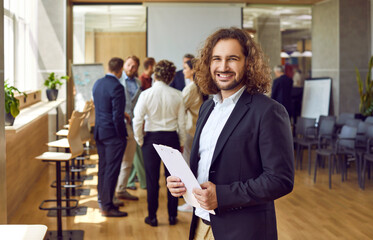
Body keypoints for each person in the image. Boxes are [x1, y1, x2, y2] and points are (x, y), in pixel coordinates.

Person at [166, 27, 294, 240]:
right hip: (201, 224)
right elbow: (208, 163)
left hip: (243, 231)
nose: (223, 66)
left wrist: (222, 196)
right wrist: (183, 182)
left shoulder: (268, 111)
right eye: (216, 58)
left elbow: (280, 179)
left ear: (248, 63)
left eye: (232, 59)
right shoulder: (208, 107)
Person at [133, 60, 186, 227]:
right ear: (171, 76)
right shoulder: (178, 95)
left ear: (155, 74)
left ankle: (152, 217)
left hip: (151, 140)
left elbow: (137, 121)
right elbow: (182, 124)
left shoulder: (145, 94)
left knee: (151, 180)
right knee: (174, 179)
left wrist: (140, 140)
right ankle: (172, 216)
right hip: (171, 138)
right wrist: (182, 142)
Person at [92, 57, 128, 217]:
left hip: (100, 132)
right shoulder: (117, 87)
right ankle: (107, 206)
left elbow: (102, 108)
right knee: (112, 170)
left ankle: (103, 201)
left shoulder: (97, 83)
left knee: (103, 169)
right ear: (120, 70)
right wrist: (122, 136)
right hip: (113, 135)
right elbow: (116, 116)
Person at [178, 58, 207, 213]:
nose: (183, 71)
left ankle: (191, 202)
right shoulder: (200, 86)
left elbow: (179, 107)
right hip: (197, 130)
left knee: (188, 167)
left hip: (190, 131)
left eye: (185, 68)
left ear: (193, 70)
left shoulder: (191, 88)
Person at [115, 56, 141, 202]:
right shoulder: (117, 81)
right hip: (120, 123)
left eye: (134, 66)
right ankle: (116, 190)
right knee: (119, 159)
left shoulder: (138, 83)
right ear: (124, 65)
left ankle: (121, 188)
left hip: (132, 123)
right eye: (129, 65)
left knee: (128, 159)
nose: (131, 68)